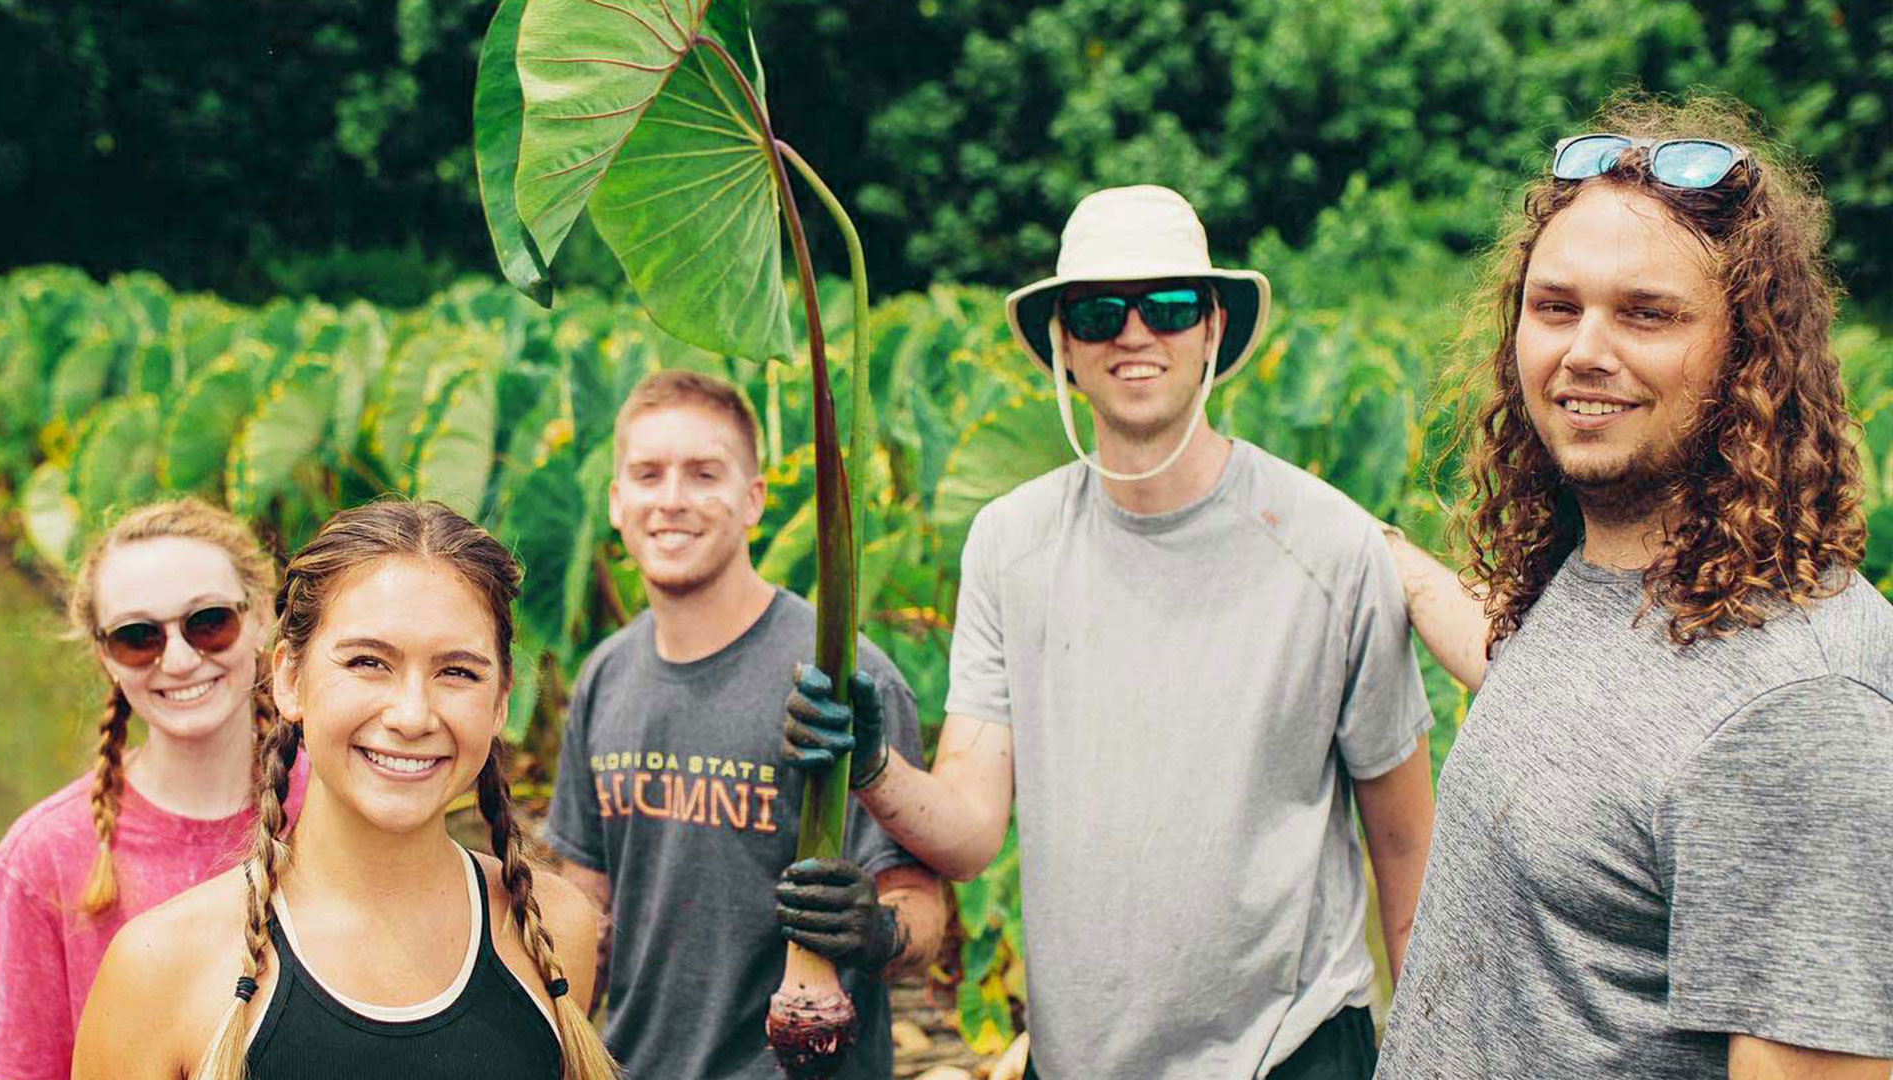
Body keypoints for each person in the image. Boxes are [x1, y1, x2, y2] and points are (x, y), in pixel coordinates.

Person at [784, 185, 1438, 1079]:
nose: (1136, 335)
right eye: (1099, 313)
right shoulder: (1011, 544)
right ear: (1062, 345)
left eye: (1168, 306)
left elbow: (1404, 841)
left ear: (1212, 330)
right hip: (1082, 1057)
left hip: (1289, 1049)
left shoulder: (1331, 543)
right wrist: (871, 766)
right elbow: (973, 828)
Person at [1372, 95, 1893, 1078]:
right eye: (1557, 307)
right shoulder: (1622, 572)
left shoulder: (1798, 713)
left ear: (1752, 355)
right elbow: (1579, 716)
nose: (1585, 352)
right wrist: (1387, 557)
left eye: (1647, 314)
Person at [72, 500, 616, 1080]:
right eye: (367, 662)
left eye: (456, 672)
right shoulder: (162, 968)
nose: (412, 715)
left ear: (501, 700)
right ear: (289, 679)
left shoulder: (553, 932)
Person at [544, 370, 944, 1079]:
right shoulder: (606, 675)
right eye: (647, 475)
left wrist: (876, 932)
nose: (671, 501)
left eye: (704, 475)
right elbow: (586, 912)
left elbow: (922, 913)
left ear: (754, 499)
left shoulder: (842, 677)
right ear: (614, 501)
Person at [0, 498, 309, 1080]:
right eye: (138, 636)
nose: (179, 660)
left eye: (208, 623)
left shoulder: (340, 807)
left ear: (258, 618)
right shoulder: (40, 861)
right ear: (106, 656)